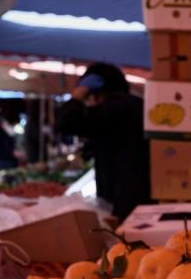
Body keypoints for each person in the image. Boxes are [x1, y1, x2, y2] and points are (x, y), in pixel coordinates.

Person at [56, 64, 150, 219]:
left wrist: (78, 95)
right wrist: (84, 154)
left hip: (124, 196)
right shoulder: (135, 105)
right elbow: (106, 138)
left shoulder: (115, 107)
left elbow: (64, 123)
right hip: (139, 194)